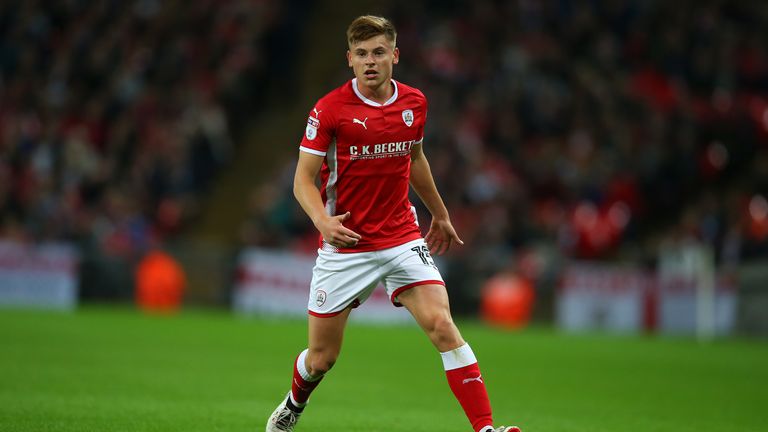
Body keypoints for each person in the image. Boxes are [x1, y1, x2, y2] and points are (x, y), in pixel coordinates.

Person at [266, 15, 521, 432]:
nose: (371, 61)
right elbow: (302, 180)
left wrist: (439, 212)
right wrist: (321, 220)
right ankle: (294, 403)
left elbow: (414, 158)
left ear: (395, 56)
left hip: (402, 236)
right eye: (362, 54)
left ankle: (486, 429)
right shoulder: (329, 110)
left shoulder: (414, 103)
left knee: (442, 325)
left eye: (379, 52)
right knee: (321, 359)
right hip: (347, 245)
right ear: (349, 59)